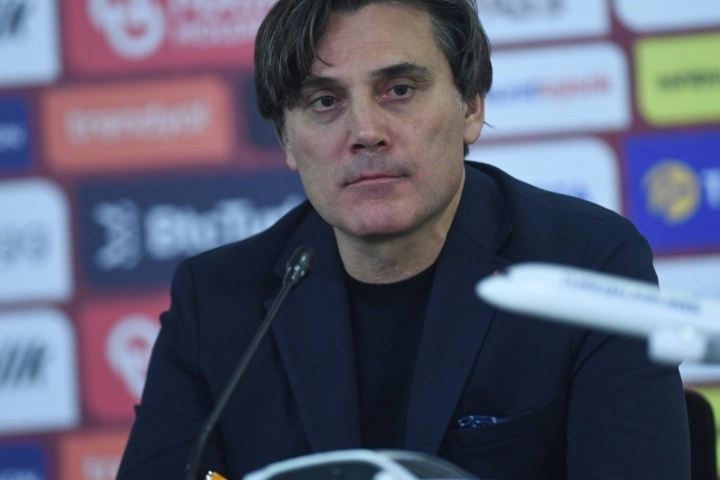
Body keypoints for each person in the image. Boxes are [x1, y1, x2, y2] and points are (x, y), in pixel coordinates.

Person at [117, 0, 691, 478]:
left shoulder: (585, 265)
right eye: (325, 101)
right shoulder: (216, 301)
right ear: (287, 140)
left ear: (471, 106)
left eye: (398, 89)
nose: (365, 131)